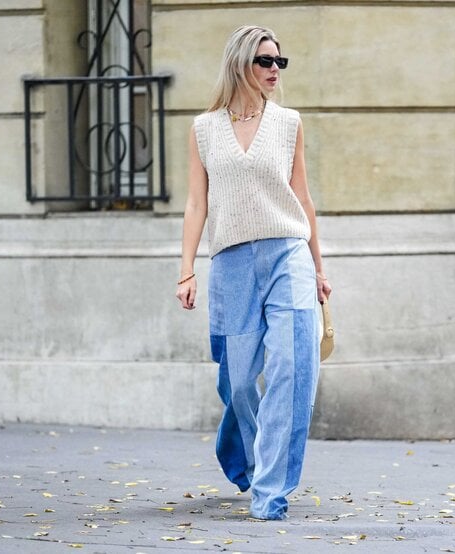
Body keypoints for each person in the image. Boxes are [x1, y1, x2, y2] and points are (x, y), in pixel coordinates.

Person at [175, 25, 332, 521]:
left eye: (279, 63)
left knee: (291, 368)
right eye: (265, 61)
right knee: (239, 382)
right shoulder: (204, 128)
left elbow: (303, 199)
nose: (273, 71)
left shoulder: (288, 123)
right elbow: (197, 203)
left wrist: (319, 268)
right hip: (232, 262)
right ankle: (242, 452)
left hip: (289, 254)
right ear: (241, 63)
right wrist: (186, 270)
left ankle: (270, 492)